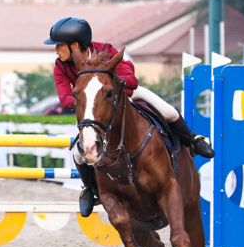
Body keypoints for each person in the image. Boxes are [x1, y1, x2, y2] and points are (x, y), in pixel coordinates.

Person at [45, 17, 215, 218]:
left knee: (168, 111)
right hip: (92, 110)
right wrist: (88, 102)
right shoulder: (61, 66)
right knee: (79, 154)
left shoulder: (106, 50)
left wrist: (114, 87)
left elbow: (131, 79)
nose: (56, 50)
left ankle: (192, 140)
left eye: (59, 45)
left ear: (74, 45)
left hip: (123, 95)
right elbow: (64, 98)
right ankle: (90, 189)